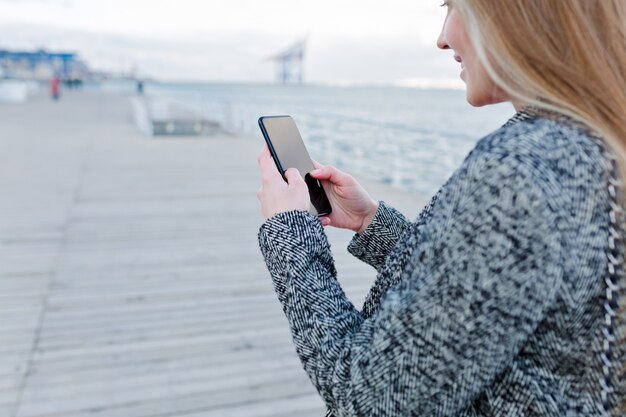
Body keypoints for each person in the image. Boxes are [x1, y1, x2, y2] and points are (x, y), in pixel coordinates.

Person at [256, 1, 626, 416]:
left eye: (453, 6)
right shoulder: (595, 142)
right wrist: (372, 223)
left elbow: (372, 398)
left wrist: (290, 234)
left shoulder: (521, 169)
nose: (442, 37)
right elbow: (504, 291)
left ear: (517, 14)